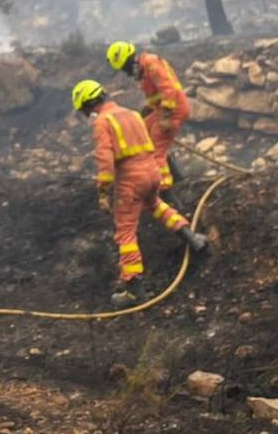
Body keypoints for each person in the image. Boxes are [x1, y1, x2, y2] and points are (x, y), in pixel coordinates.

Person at [72, 79, 208, 306]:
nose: (86, 114)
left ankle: (134, 289)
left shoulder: (102, 122)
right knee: (155, 205)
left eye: (84, 110)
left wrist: (103, 192)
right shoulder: (132, 114)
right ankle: (192, 238)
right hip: (152, 171)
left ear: (88, 104)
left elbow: (105, 161)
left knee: (125, 233)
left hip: (131, 180)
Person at [107, 41, 189, 190]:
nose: (126, 72)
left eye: (124, 68)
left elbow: (168, 89)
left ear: (127, 61)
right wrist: (141, 115)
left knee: (156, 149)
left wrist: (166, 117)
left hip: (173, 109)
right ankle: (177, 177)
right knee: (142, 131)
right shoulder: (143, 70)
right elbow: (154, 98)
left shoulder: (150, 63)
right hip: (162, 110)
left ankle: (165, 187)